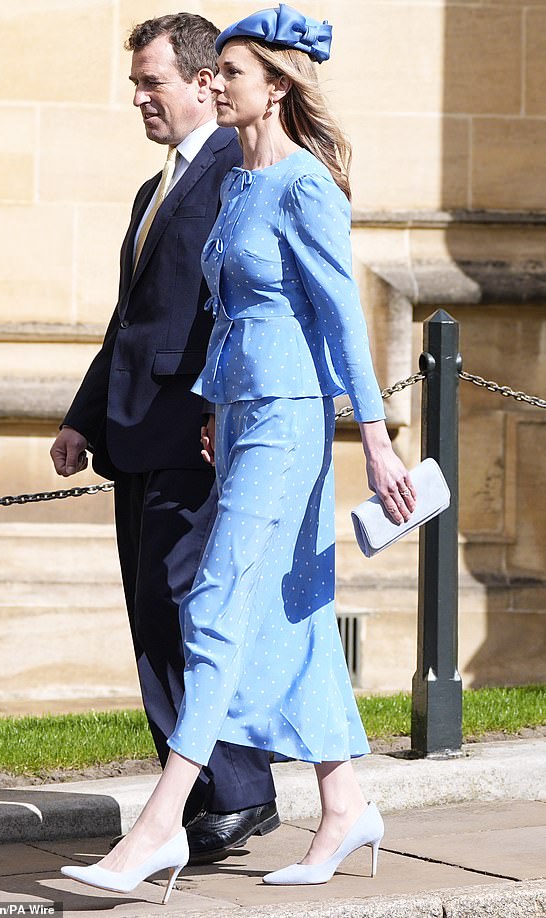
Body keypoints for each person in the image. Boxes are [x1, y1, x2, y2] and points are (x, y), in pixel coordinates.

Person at [61, 4, 417, 903]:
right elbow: (222, 314)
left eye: (231, 73)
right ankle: (345, 806)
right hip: (243, 415)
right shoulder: (234, 188)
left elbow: (341, 321)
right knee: (291, 618)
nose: (213, 84)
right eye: (210, 73)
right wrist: (216, 402)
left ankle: (157, 827)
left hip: (294, 417)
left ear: (278, 85)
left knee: (217, 603)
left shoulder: (305, 188)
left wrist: (374, 440)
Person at [50, 13, 279, 863]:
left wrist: (229, 404)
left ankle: (239, 792)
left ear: (200, 82)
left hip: (199, 436)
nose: (140, 98)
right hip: (135, 437)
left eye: (153, 82)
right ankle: (200, 801)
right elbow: (130, 322)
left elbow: (242, 304)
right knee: (154, 614)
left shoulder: (235, 170)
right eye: (136, 83)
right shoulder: (155, 191)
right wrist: (83, 415)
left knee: (188, 610)